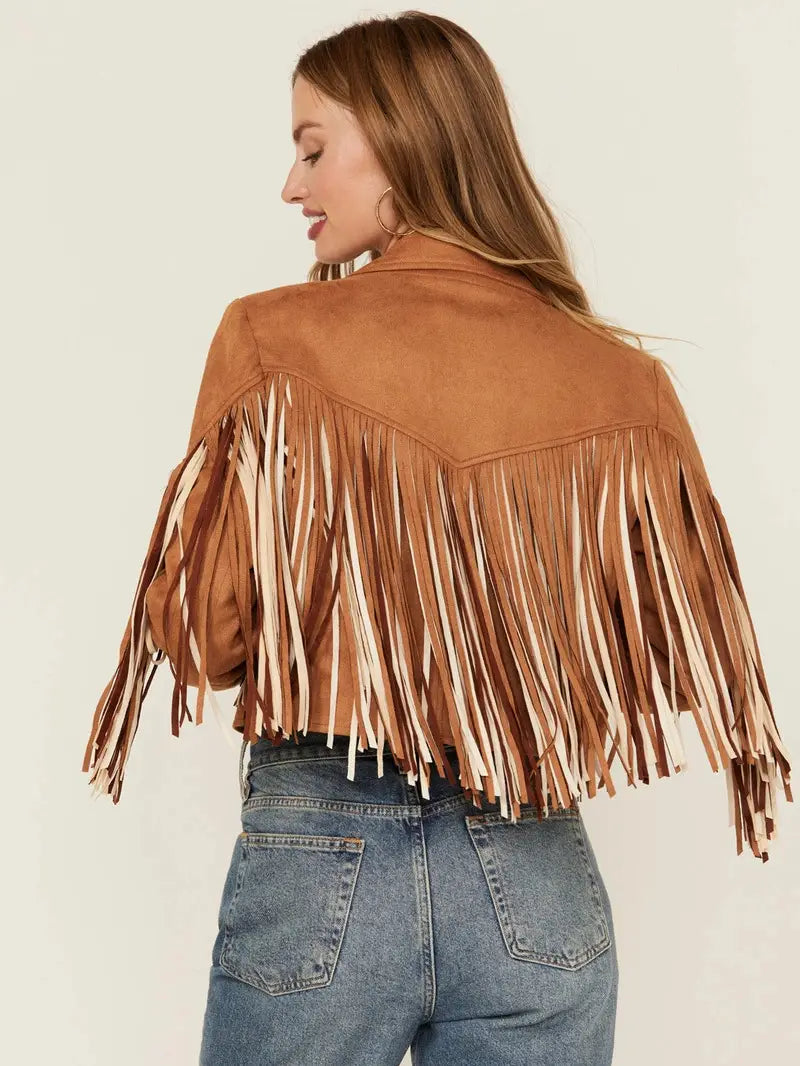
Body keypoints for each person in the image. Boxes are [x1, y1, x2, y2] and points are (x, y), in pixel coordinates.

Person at [81, 12, 792, 1066]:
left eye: (312, 149)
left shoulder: (273, 340)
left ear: (400, 139)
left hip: (322, 854)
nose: (291, 185)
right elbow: (657, 655)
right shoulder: (623, 382)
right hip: (536, 879)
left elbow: (202, 641)